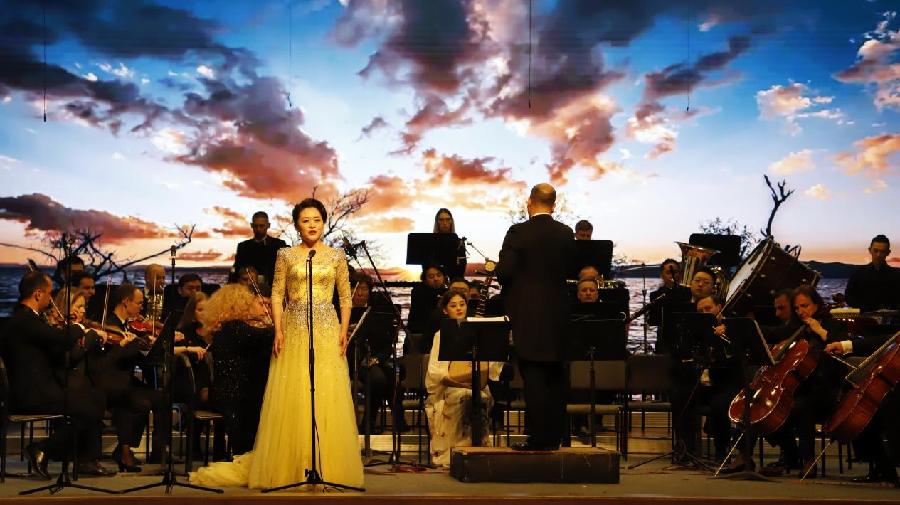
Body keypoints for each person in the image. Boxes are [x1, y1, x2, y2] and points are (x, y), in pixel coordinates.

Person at [190, 197, 364, 489]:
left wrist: (343, 330)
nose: (312, 225)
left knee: (327, 393)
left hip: (326, 327)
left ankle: (328, 465)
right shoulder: (286, 255)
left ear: (323, 223)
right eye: (305, 221)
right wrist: (279, 329)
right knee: (295, 392)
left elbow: (345, 297)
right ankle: (292, 466)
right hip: (295, 327)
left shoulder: (336, 256)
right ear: (297, 225)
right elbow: (277, 294)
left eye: (317, 220)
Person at [1, 272, 111, 477]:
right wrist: (79, 329)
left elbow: (56, 351)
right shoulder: (24, 320)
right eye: (49, 293)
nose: (51, 298)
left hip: (42, 389)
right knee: (89, 409)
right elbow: (61, 338)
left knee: (95, 398)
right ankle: (43, 449)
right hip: (31, 395)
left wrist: (79, 344)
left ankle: (84, 460)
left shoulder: (28, 319)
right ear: (38, 294)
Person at [496, 183, 574, 451]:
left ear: (529, 203)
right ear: (554, 205)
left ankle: (539, 439)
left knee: (534, 376)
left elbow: (505, 272)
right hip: (559, 314)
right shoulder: (566, 233)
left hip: (528, 315)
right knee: (556, 377)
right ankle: (554, 437)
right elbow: (570, 270)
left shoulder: (518, 232)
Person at [91, 284, 168, 471]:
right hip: (109, 383)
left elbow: (136, 358)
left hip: (125, 381)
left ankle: (158, 452)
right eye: (139, 303)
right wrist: (135, 345)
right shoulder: (109, 324)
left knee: (162, 397)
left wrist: (152, 348)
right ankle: (124, 451)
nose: (142, 307)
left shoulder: (129, 326)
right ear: (126, 302)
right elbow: (111, 360)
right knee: (140, 403)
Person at [425, 290, 504, 466]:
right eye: (453, 306)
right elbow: (437, 373)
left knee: (480, 397)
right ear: (445, 310)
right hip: (449, 388)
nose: (459, 308)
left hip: (476, 386)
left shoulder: (479, 332)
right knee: (467, 397)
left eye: (462, 304)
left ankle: (478, 447)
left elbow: (491, 369)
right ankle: (460, 450)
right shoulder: (441, 335)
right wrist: (460, 383)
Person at [201, 284, 274, 459]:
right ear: (239, 305)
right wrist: (281, 322)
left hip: (232, 392)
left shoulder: (225, 328)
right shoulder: (234, 328)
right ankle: (248, 456)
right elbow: (267, 336)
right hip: (234, 395)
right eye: (254, 303)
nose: (264, 309)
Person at [233, 211, 288, 288]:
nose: (258, 229)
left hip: (273, 289)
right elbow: (237, 271)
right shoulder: (243, 247)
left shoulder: (279, 245)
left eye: (261, 226)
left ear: (268, 225)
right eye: (255, 226)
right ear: (251, 225)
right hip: (248, 289)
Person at [845, 235, 900, 312]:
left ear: (888, 253)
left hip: (890, 317)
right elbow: (849, 297)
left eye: (882, 251)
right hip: (865, 317)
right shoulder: (858, 273)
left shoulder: (897, 275)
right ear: (870, 250)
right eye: (876, 250)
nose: (878, 255)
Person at [406, 265, 447, 353]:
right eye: (431, 277)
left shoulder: (447, 292)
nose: (436, 279)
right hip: (422, 332)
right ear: (425, 279)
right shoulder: (418, 291)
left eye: (439, 275)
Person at [433, 208, 467, 279]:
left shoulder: (459, 243)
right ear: (437, 222)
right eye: (441, 220)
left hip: (454, 281)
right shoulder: (429, 241)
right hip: (435, 280)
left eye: (448, 219)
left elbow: (461, 269)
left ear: (451, 221)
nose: (445, 223)